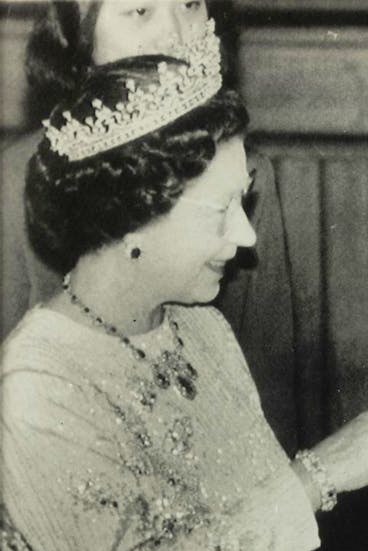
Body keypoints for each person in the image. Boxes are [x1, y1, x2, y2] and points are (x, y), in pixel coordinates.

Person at [0, 34, 368, 551]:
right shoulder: (36, 380)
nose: (247, 235)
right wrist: (326, 470)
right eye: (221, 209)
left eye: (244, 198)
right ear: (131, 222)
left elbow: (253, 515)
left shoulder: (202, 332)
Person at [0, 0, 299, 451]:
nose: (176, 36)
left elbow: (271, 411)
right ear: (78, 40)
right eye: (140, 11)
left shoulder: (243, 178)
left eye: (191, 3)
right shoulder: (12, 184)